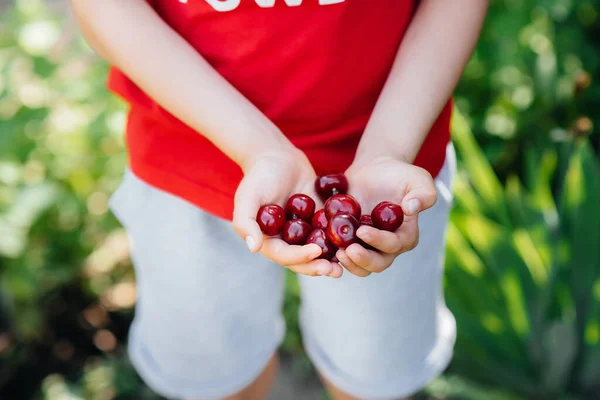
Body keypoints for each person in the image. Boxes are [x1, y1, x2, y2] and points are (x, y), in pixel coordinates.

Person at [70, 1, 489, 399]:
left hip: (389, 151)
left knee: (377, 376)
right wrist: (259, 147)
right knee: (214, 380)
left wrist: (389, 149)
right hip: (186, 153)